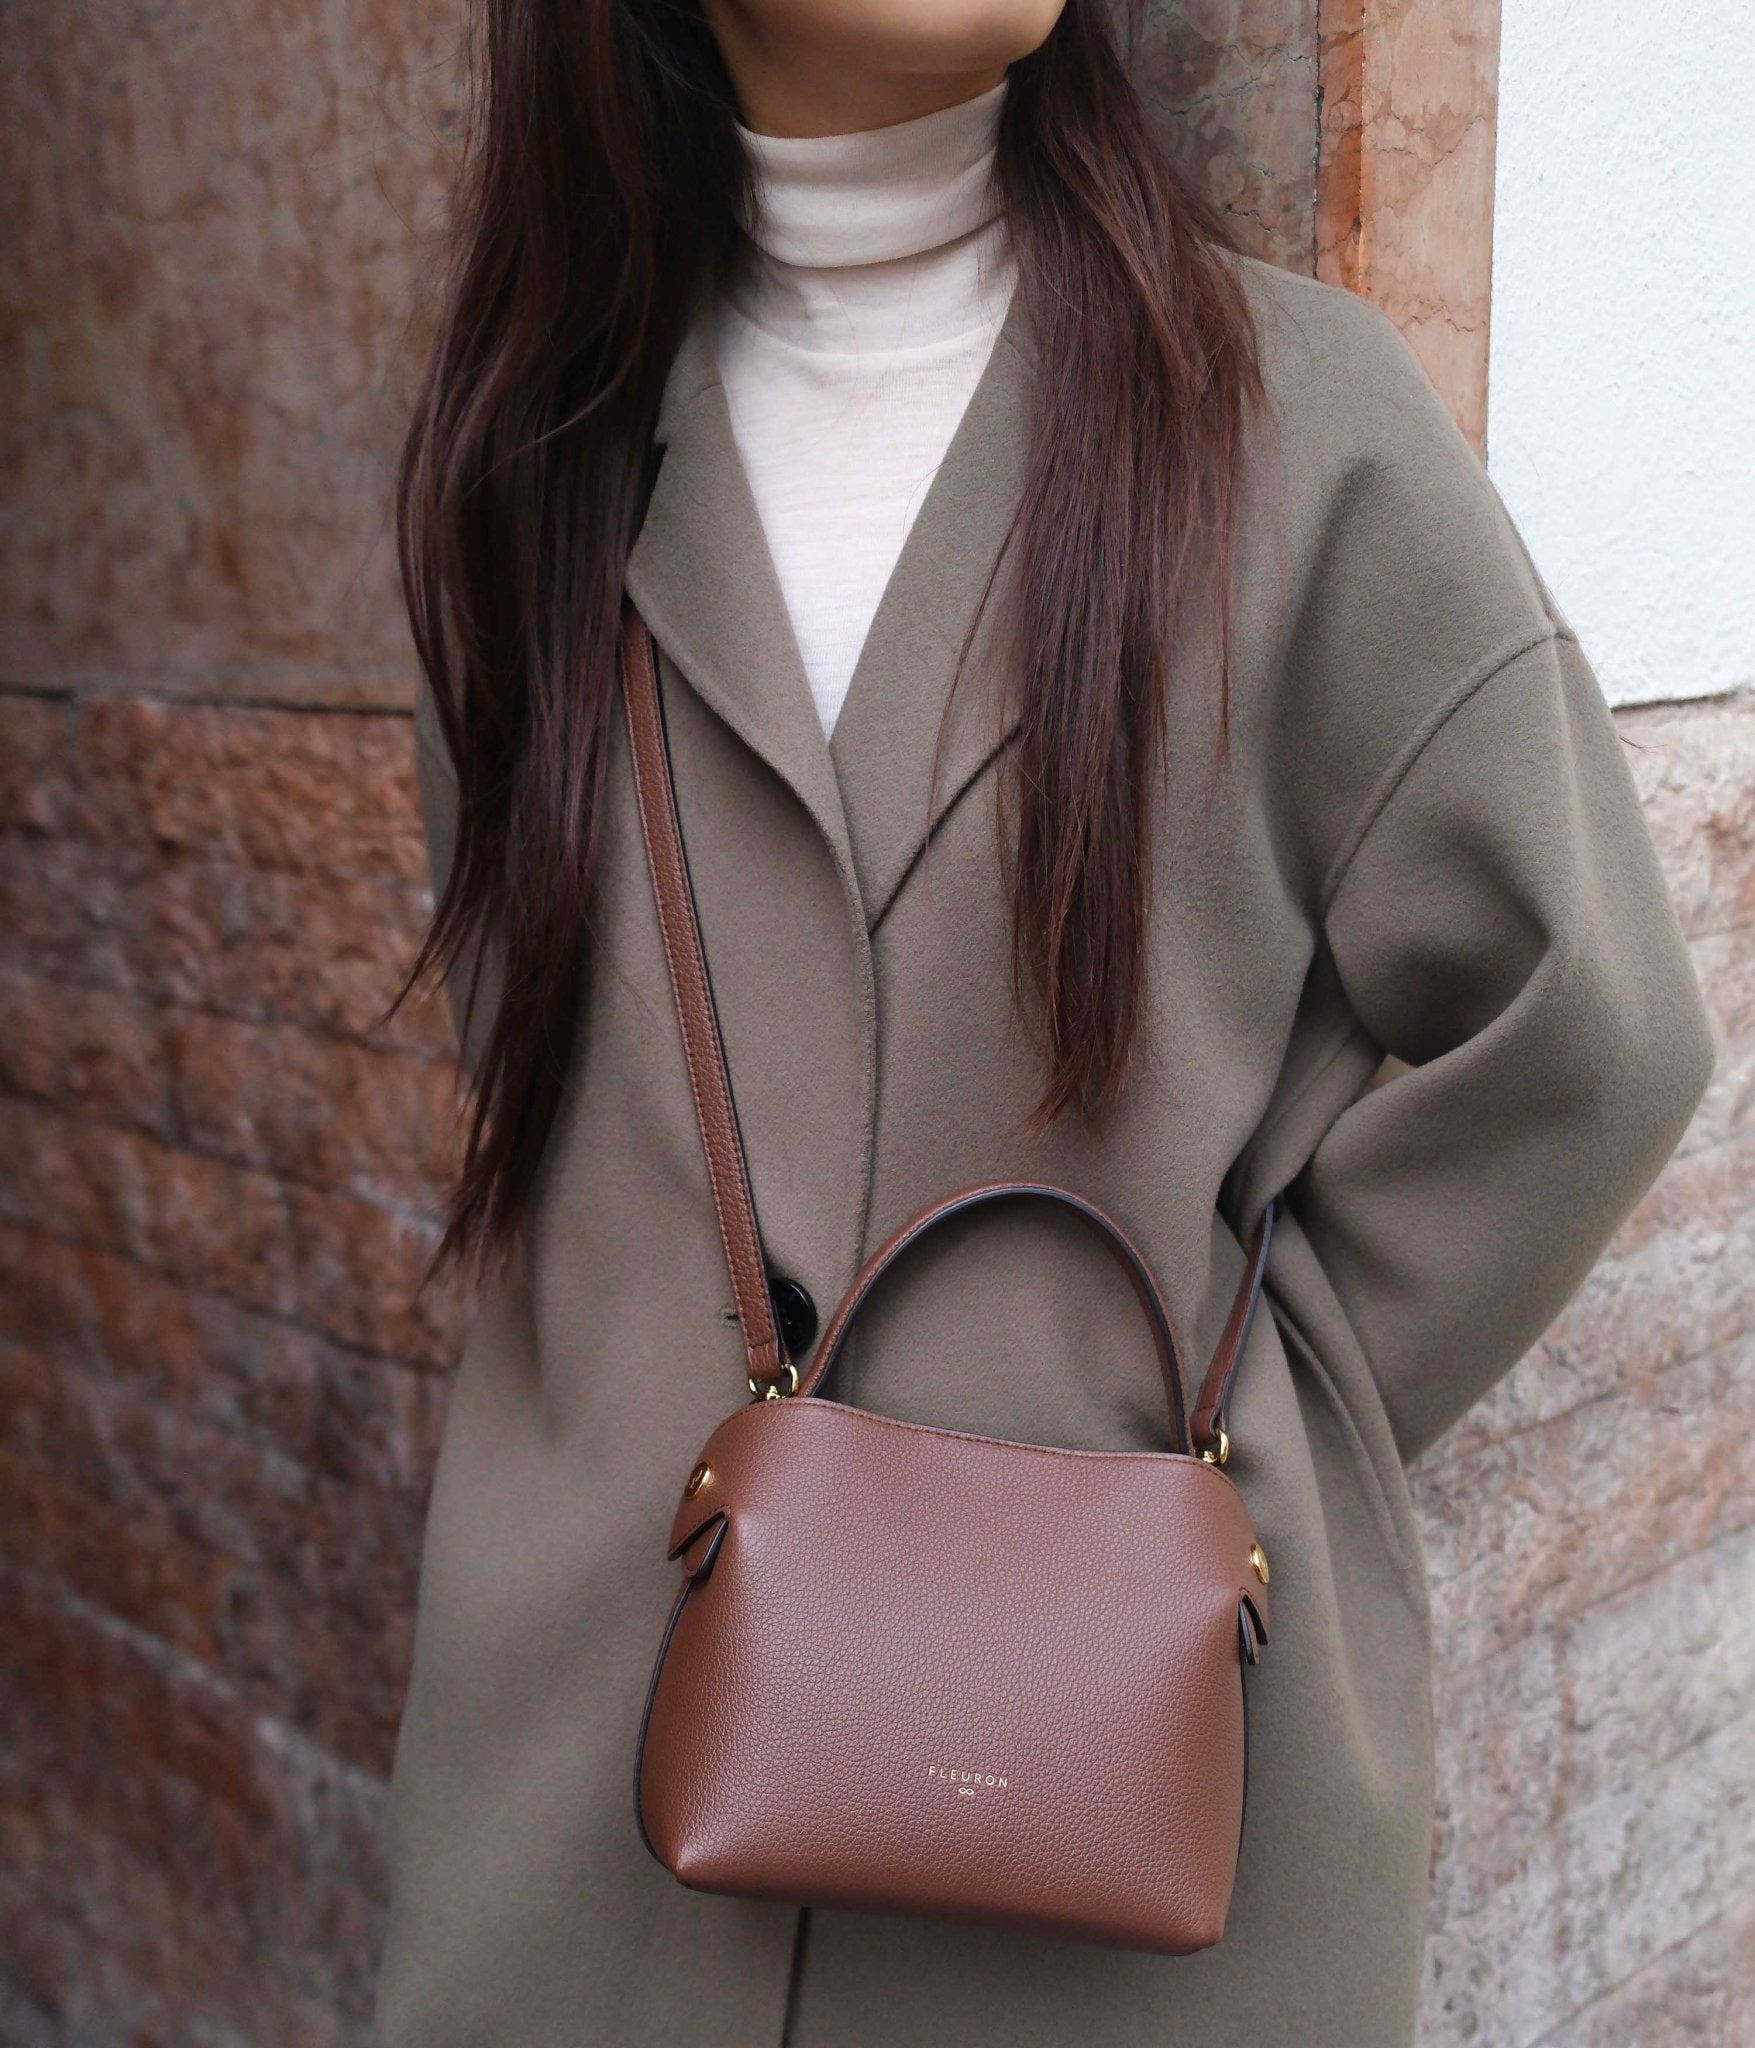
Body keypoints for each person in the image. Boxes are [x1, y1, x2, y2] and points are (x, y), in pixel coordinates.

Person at [373, 3, 1715, 2043]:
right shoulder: (531, 470)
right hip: (578, 1792)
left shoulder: (1296, 426)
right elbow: (542, 1078)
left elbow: (1584, 1029)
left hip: (1116, 1825)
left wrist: (1239, 1406)